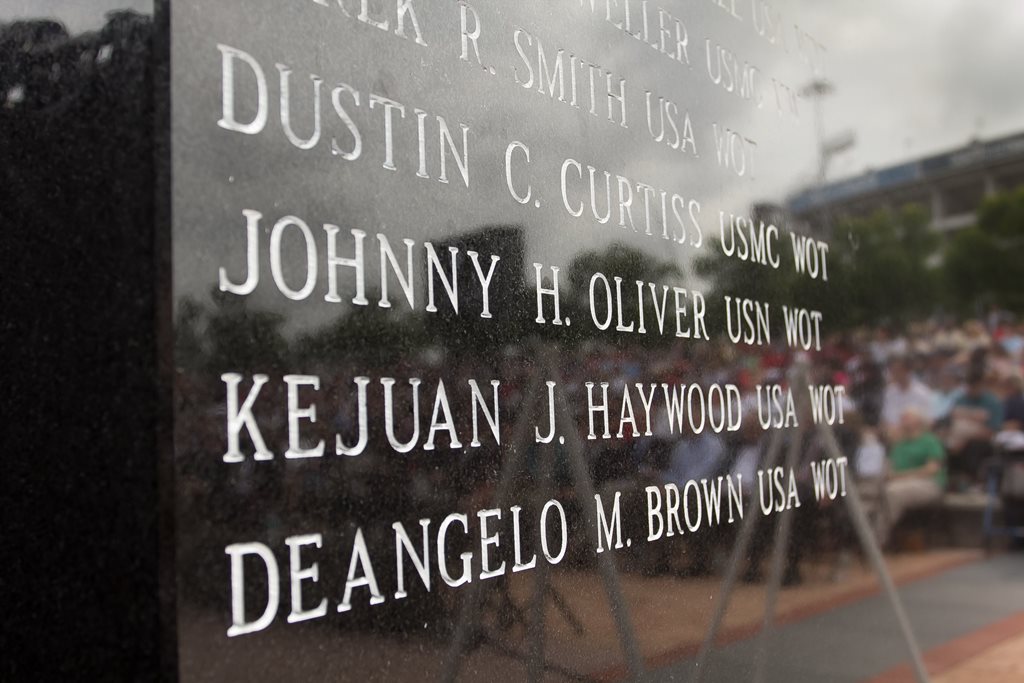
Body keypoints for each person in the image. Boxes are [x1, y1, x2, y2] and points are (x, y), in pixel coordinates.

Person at [878, 408, 947, 548]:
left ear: (918, 422)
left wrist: (900, 477)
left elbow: (932, 469)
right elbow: (890, 467)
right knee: (876, 492)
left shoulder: (930, 441)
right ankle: (862, 536)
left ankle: (876, 539)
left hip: (928, 484)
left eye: (906, 418)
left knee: (892, 493)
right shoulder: (899, 444)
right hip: (899, 483)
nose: (902, 421)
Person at [880, 356, 935, 439]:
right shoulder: (889, 392)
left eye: (898, 370)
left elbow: (929, 420)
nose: (895, 374)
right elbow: (886, 418)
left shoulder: (922, 392)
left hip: (917, 436)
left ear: (908, 370)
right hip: (893, 435)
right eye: (892, 371)